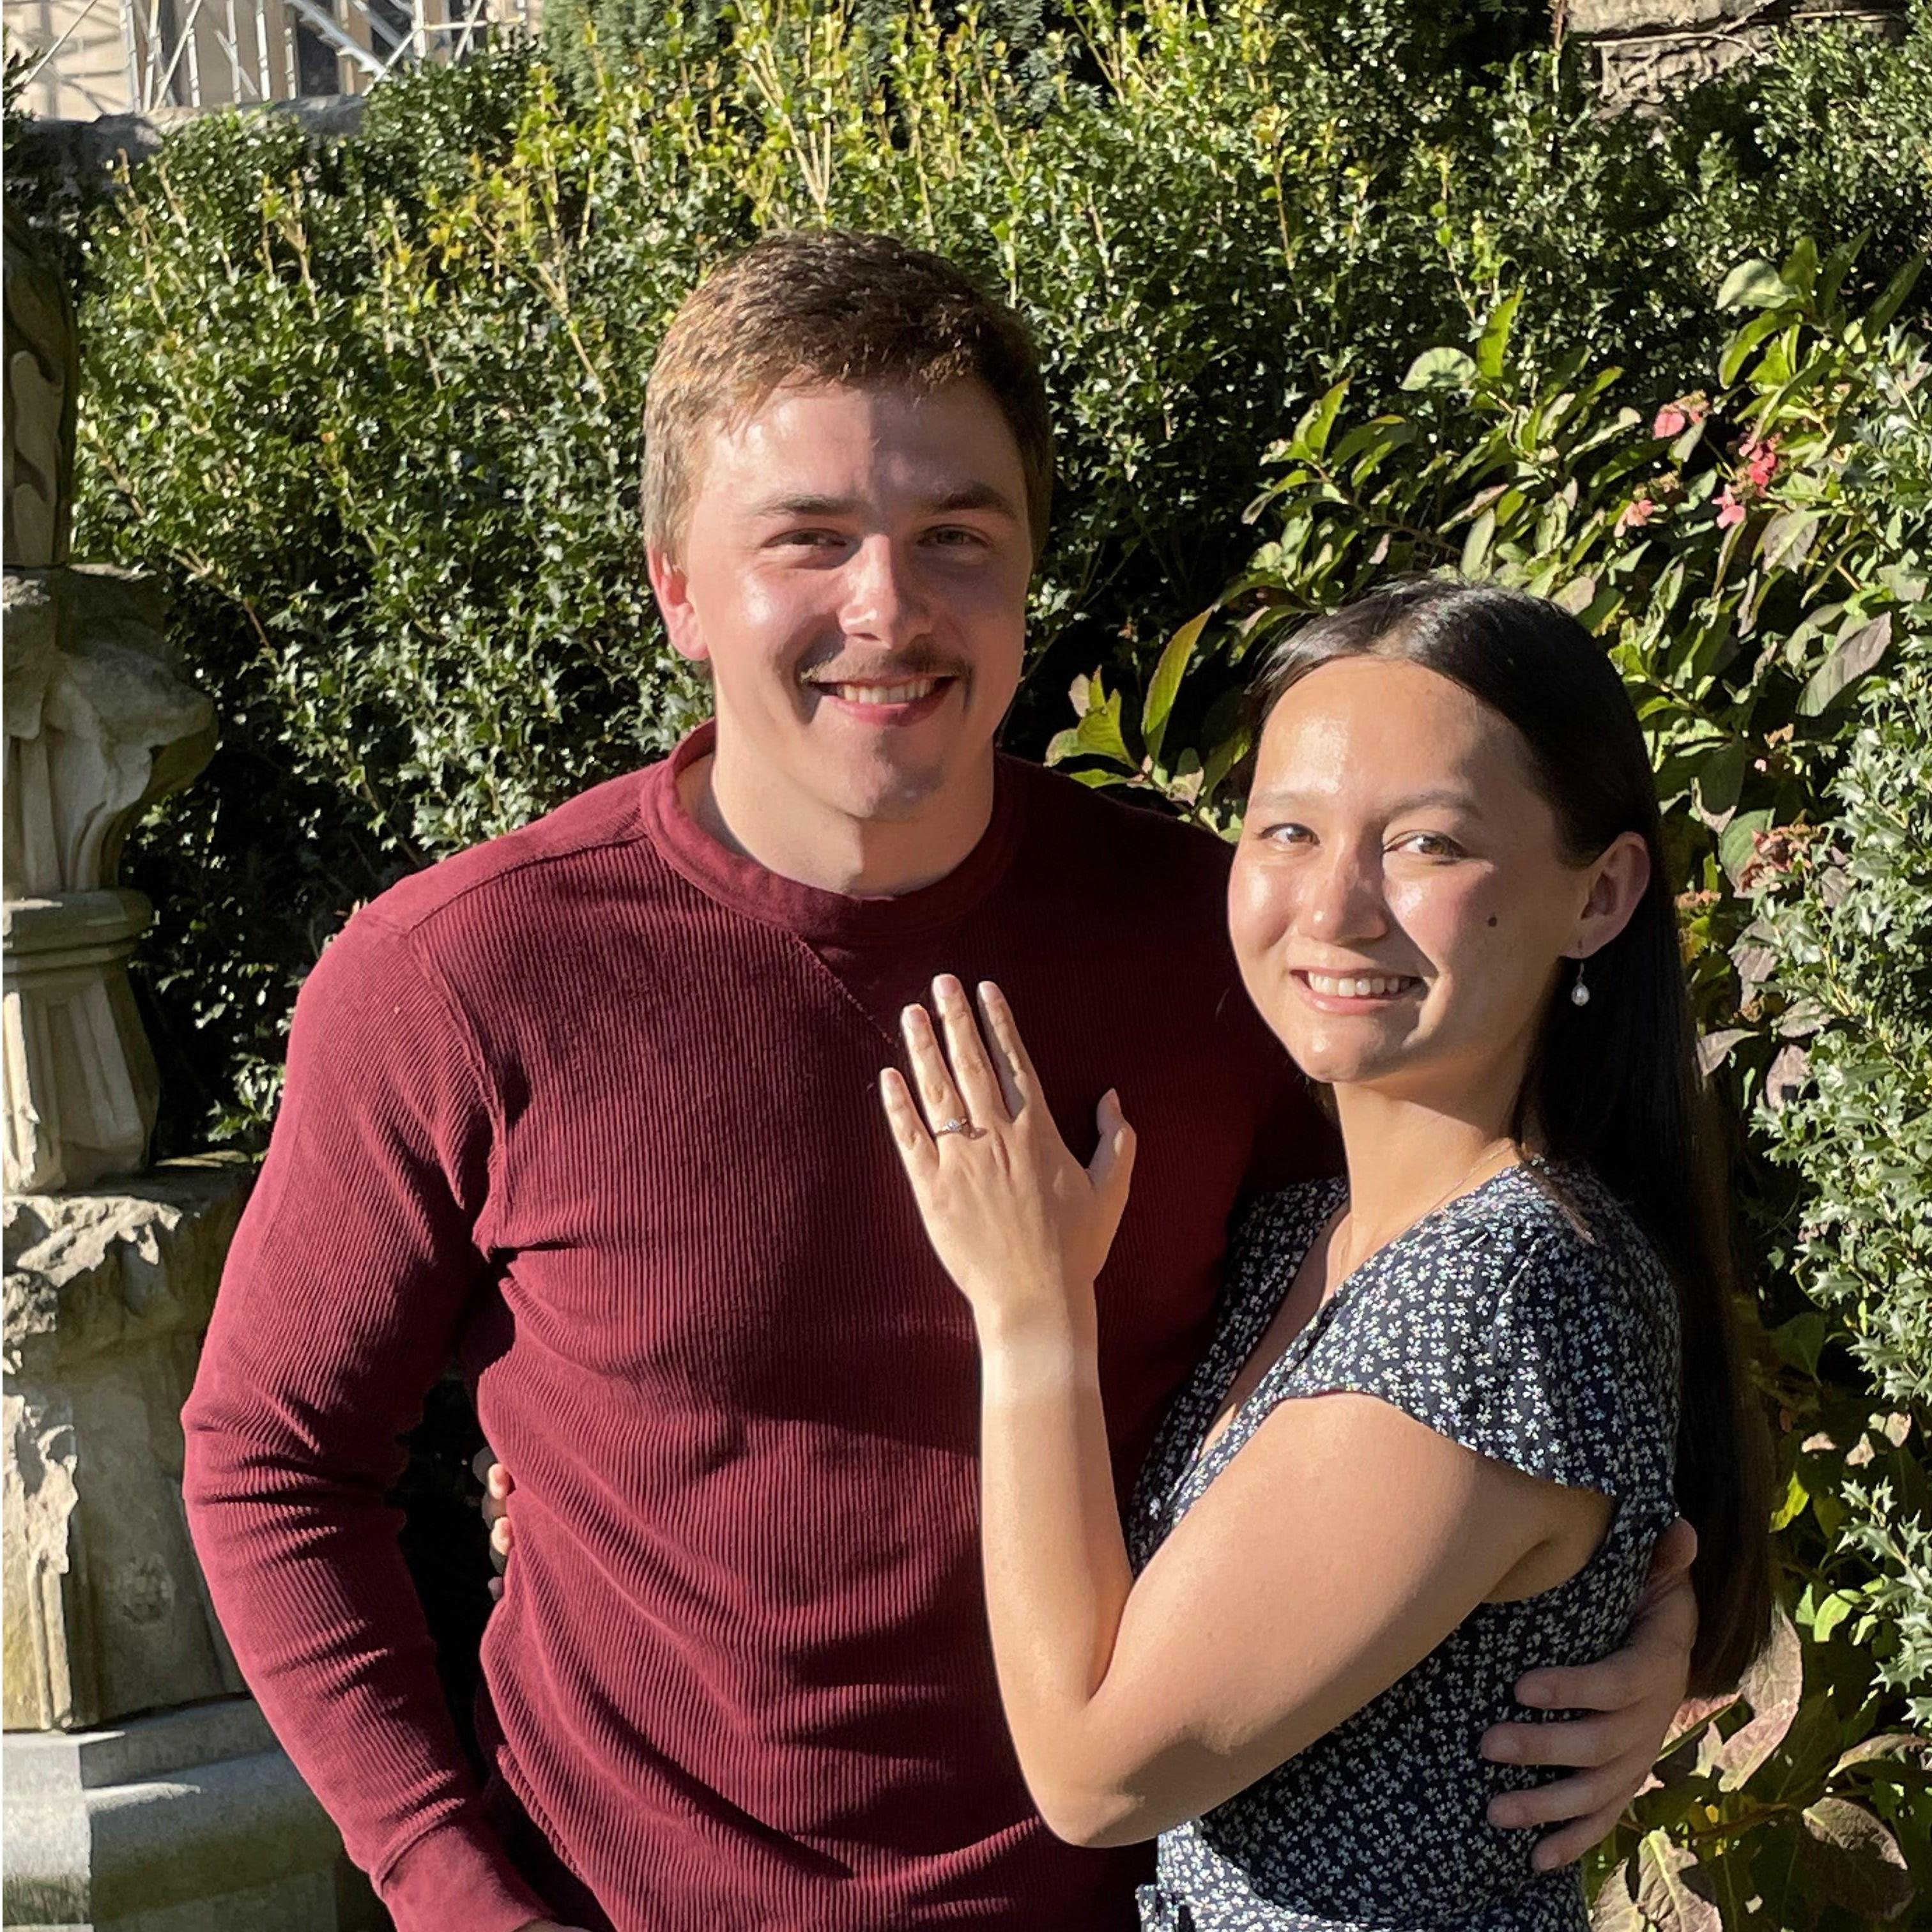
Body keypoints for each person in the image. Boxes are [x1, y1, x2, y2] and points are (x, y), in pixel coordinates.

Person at [183, 234, 1701, 1932]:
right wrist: (449, 1886)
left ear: (1032, 571)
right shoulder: (460, 978)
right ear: (677, 587)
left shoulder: (1229, 946)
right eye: (808, 543)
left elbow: (1455, 1307)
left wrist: (1631, 1622)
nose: (887, 609)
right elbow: (274, 1460)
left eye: (955, 539)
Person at [873, 580, 1772, 1931]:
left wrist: (1030, 1306)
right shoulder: (1315, 1229)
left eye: (1426, 844)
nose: (1336, 908)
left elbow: (1092, 1774)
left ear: (1601, 896)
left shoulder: (1504, 1296)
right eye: (1287, 830)